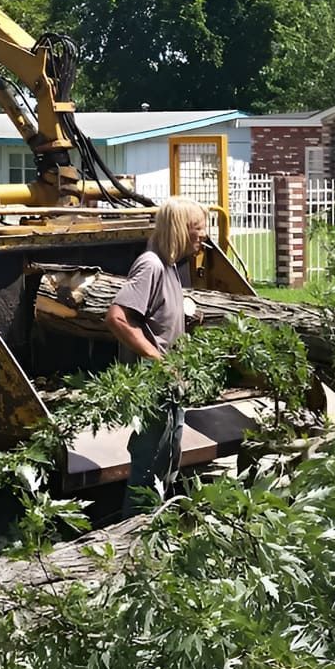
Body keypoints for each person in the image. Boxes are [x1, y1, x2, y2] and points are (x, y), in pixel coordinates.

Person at [104, 196, 210, 509]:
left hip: (170, 383)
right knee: (149, 464)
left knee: (167, 458)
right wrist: (156, 359)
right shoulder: (150, 266)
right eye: (198, 228)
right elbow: (117, 318)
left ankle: (158, 527)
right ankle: (133, 538)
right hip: (153, 386)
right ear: (180, 229)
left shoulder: (171, 266)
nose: (203, 235)